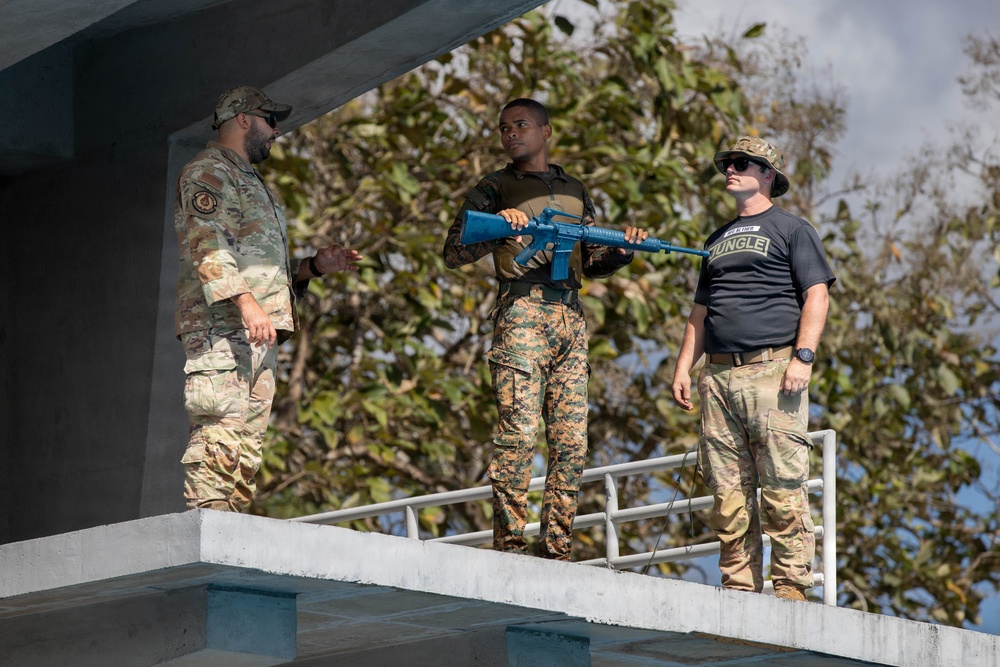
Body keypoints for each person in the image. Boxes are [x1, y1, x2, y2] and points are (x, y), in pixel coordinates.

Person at [443, 98, 648, 560]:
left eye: (520, 125)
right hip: (522, 311)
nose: (510, 134)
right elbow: (453, 252)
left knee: (572, 442)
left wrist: (621, 252)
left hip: (570, 318)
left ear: (545, 131)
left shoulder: (575, 189)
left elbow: (589, 258)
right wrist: (499, 227)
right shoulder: (495, 186)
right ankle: (510, 546)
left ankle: (556, 548)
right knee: (517, 435)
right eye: (503, 128)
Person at [174, 85, 362, 512]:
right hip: (222, 328)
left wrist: (313, 267)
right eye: (270, 120)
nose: (277, 130)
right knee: (219, 430)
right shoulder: (209, 172)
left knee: (246, 447)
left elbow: (257, 264)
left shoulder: (250, 181)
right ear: (243, 119)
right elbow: (209, 246)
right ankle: (208, 530)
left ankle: (229, 533)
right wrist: (247, 305)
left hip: (256, 332)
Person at [671, 136, 836, 600]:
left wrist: (802, 357)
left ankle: (790, 588)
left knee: (782, 485)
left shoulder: (792, 229)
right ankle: (739, 588)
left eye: (742, 163)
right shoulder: (715, 238)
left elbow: (817, 295)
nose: (730, 169)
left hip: (772, 369)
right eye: (726, 162)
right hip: (718, 377)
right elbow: (699, 313)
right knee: (727, 494)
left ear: (768, 174)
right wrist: (685, 368)